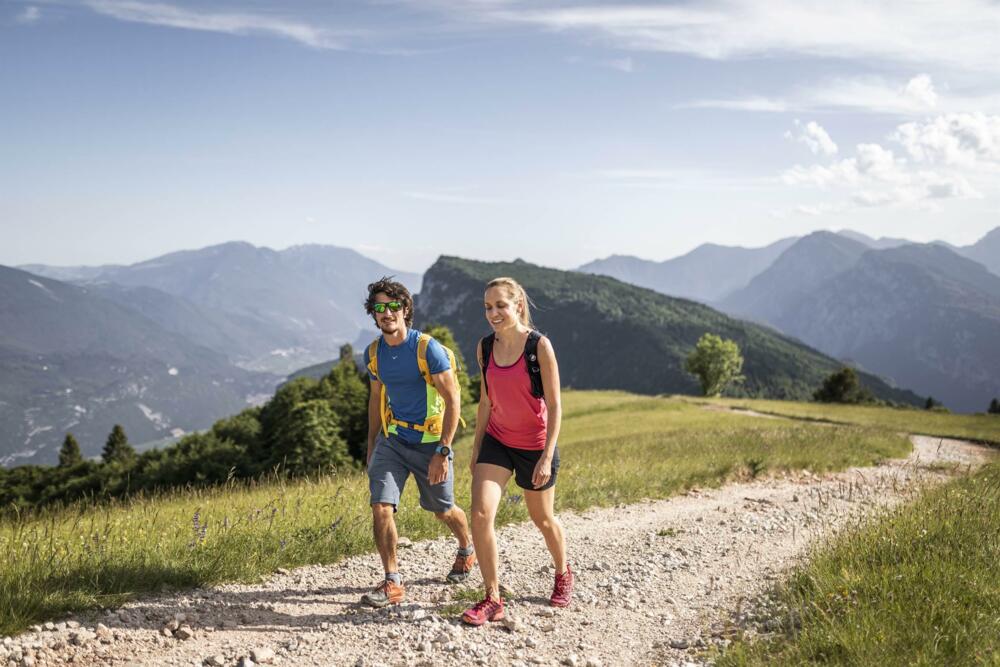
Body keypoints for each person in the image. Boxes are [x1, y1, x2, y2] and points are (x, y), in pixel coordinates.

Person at [462, 277, 572, 626]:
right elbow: (485, 401)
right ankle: (492, 597)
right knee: (481, 514)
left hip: (534, 446)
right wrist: (477, 448)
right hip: (497, 441)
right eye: (487, 307)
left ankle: (562, 571)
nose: (493, 313)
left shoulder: (539, 346)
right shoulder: (485, 347)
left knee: (543, 519)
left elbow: (555, 405)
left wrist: (546, 456)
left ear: (518, 305)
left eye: (500, 305)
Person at [359, 277, 476, 608]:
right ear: (373, 314)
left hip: (431, 444)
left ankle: (466, 547)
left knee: (443, 510)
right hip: (394, 440)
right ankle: (393, 581)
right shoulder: (373, 354)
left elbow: (453, 401)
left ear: (405, 309)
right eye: (379, 308)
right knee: (381, 506)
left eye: (393, 306)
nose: (387, 313)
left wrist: (443, 450)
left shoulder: (427, 349)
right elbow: (375, 400)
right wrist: (372, 444)